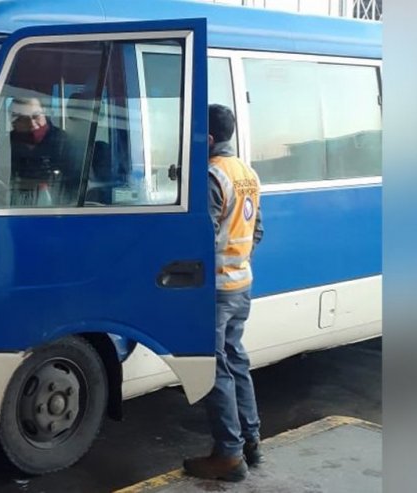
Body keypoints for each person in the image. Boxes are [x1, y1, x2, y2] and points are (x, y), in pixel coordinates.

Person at [183, 104, 265, 482]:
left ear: (210, 138)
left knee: (215, 370)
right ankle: (252, 441)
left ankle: (229, 455)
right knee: (235, 361)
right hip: (241, 284)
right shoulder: (247, 173)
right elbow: (257, 230)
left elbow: (202, 237)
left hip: (215, 289)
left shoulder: (211, 176)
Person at [7, 97, 75, 204]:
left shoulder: (63, 141)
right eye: (24, 118)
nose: (32, 123)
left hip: (57, 204)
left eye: (36, 116)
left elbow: (74, 182)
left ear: (44, 113)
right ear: (14, 122)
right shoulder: (6, 143)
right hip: (11, 202)